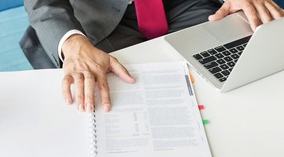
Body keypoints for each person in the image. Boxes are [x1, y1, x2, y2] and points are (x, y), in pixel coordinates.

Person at [20, 0, 284, 112]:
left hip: (181, 4)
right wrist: (72, 41)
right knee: (124, 101)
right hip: (98, 15)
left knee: (253, 58)